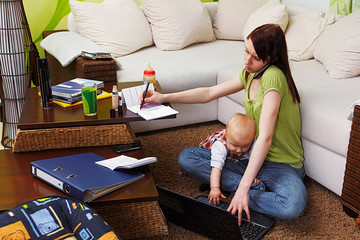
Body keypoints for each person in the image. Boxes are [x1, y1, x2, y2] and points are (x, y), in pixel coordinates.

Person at [142, 24, 307, 225]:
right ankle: (251, 188)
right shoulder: (250, 73)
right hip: (249, 157)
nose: (247, 60)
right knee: (187, 157)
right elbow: (210, 93)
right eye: (246, 51)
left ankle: (239, 190)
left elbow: (265, 137)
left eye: (255, 57)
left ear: (271, 57)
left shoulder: (273, 76)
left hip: (281, 164)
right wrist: (164, 97)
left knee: (293, 205)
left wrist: (243, 187)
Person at [199, 113, 263, 206]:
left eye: (245, 146)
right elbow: (216, 168)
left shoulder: (253, 143)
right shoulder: (220, 144)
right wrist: (215, 188)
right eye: (235, 145)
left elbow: (254, 160)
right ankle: (218, 184)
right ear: (226, 135)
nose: (239, 150)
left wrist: (254, 176)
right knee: (212, 167)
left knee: (251, 164)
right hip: (213, 157)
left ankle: (230, 184)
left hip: (237, 161)